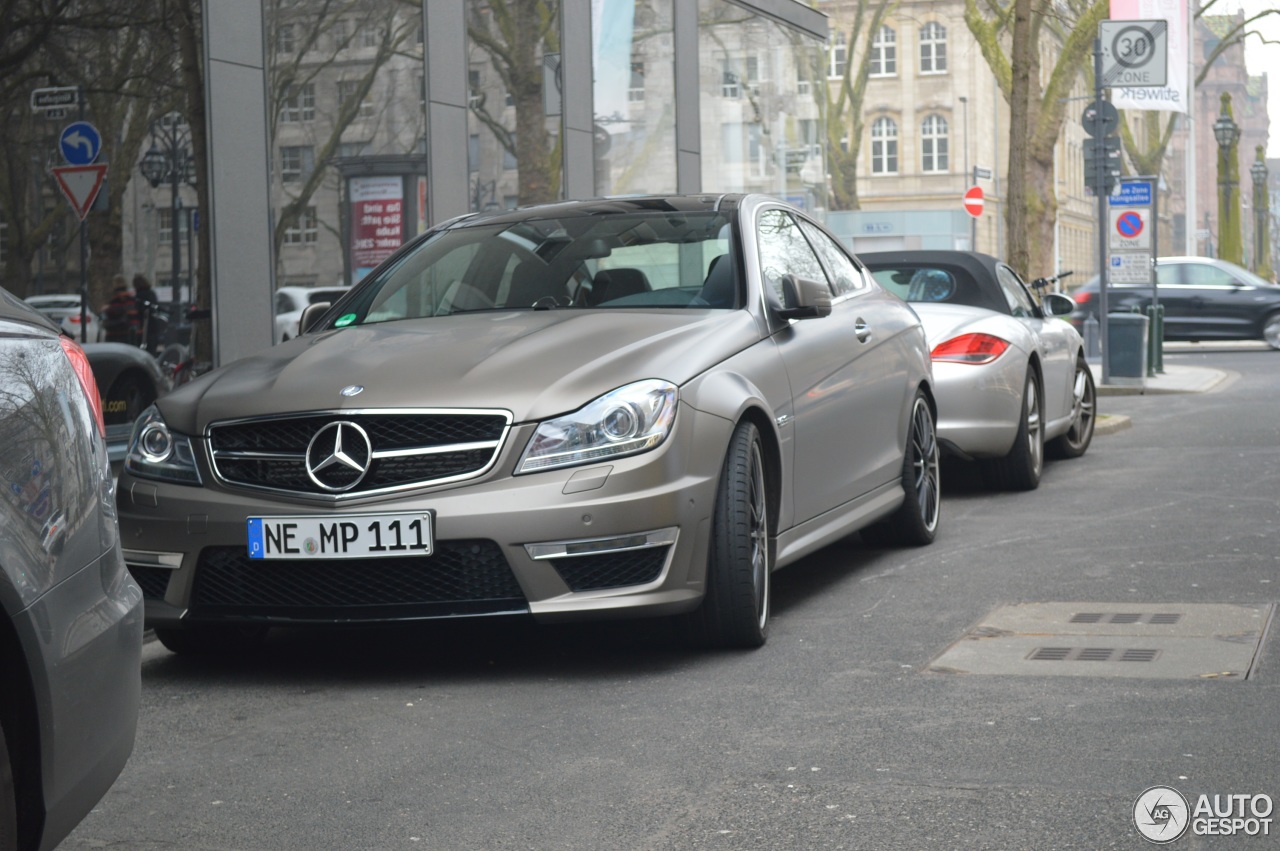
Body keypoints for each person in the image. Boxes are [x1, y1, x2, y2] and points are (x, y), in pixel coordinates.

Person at [101, 275, 139, 344]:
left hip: (113, 332)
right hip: (127, 332)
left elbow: (110, 311)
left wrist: (107, 308)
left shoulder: (113, 298)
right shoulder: (130, 298)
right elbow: (132, 313)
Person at [132, 274, 160, 354]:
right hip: (153, 326)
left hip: (143, 327)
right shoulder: (151, 293)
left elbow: (137, 311)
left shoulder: (139, 296)